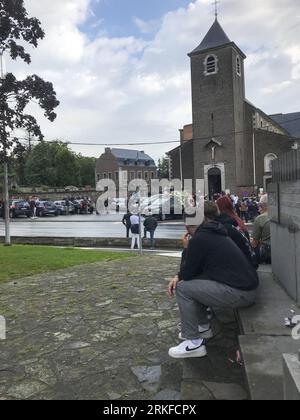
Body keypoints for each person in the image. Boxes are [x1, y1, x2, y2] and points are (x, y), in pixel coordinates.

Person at [167, 201, 259, 359]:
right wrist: (180, 274)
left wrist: (186, 249)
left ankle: (194, 343)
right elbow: (196, 272)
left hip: (241, 292)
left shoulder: (199, 239)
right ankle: (202, 327)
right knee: (195, 285)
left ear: (187, 226)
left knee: (183, 289)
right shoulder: (215, 231)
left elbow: (188, 274)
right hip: (247, 288)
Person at [216, 197, 258, 269]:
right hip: (249, 263)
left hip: (241, 266)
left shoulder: (227, 224)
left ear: (219, 208)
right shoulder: (237, 220)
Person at [251, 195, 271, 264]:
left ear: (262, 206)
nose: (258, 209)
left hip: (266, 253)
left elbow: (254, 243)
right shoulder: (277, 216)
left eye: (259, 206)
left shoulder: (259, 219)